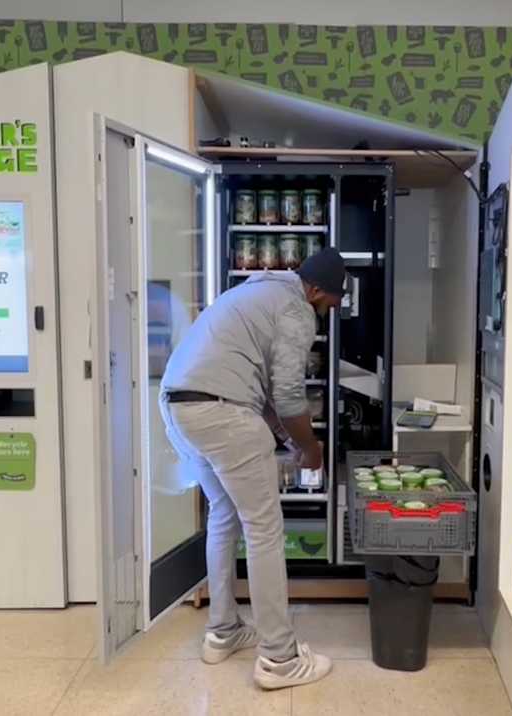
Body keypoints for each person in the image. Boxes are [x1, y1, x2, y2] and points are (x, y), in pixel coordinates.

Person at [159, 247, 345, 690]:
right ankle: (279, 659)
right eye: (328, 304)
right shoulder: (297, 309)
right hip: (222, 413)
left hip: (179, 406)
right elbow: (287, 395)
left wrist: (286, 440)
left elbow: (257, 392)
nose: (327, 313)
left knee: (223, 516)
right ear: (315, 289)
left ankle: (222, 632)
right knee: (264, 528)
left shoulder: (255, 292)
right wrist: (311, 448)